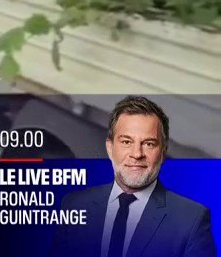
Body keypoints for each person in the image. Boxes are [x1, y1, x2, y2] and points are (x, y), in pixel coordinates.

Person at [49, 95, 215, 257]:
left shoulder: (191, 220)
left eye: (149, 144)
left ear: (163, 153)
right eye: (126, 142)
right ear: (110, 148)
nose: (136, 154)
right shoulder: (75, 204)